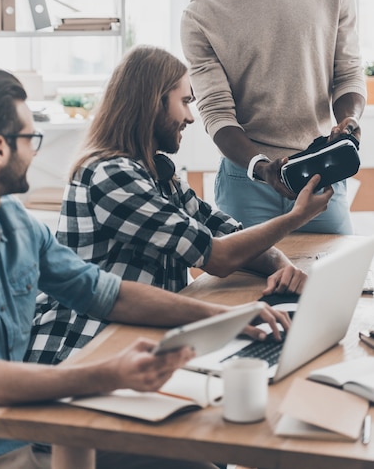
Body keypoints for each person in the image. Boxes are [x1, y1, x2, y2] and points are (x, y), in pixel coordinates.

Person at [0, 67, 292, 469]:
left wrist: (224, 316)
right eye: (31, 138)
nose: (36, 150)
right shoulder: (106, 173)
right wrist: (109, 374)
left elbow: (105, 292)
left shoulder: (15, 223)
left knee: (201, 457)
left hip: (31, 423)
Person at [26, 44, 332, 366]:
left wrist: (283, 268)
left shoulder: (161, 175)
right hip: (86, 346)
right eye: (185, 101)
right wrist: (296, 217)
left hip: (145, 336)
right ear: (152, 103)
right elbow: (219, 256)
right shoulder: (111, 175)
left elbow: (234, 237)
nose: (190, 117)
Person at [180, 0, 366, 234]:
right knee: (245, 290)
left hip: (321, 171)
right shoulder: (201, 15)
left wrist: (349, 120)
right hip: (247, 181)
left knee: (333, 283)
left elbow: (348, 72)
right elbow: (217, 114)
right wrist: (262, 166)